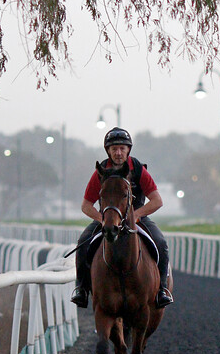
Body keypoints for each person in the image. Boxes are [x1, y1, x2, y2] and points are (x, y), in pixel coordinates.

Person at [70, 127, 174, 309]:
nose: (118, 153)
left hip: (137, 217)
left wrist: (135, 216)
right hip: (108, 219)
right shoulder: (101, 172)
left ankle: (162, 290)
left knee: (161, 242)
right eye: (114, 148)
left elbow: (157, 200)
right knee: (84, 241)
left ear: (128, 150)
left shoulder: (139, 170)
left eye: (122, 148)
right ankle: (81, 289)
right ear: (108, 151)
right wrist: (102, 219)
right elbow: (86, 205)